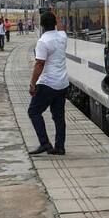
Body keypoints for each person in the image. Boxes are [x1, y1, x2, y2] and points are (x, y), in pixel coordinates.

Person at [27, 11, 68, 156]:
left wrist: (32, 84)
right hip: (62, 83)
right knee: (59, 117)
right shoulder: (62, 36)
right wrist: (56, 15)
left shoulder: (43, 41)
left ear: (42, 25)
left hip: (48, 83)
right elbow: (62, 27)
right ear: (55, 23)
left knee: (33, 111)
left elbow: (39, 64)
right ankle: (60, 147)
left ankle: (44, 143)